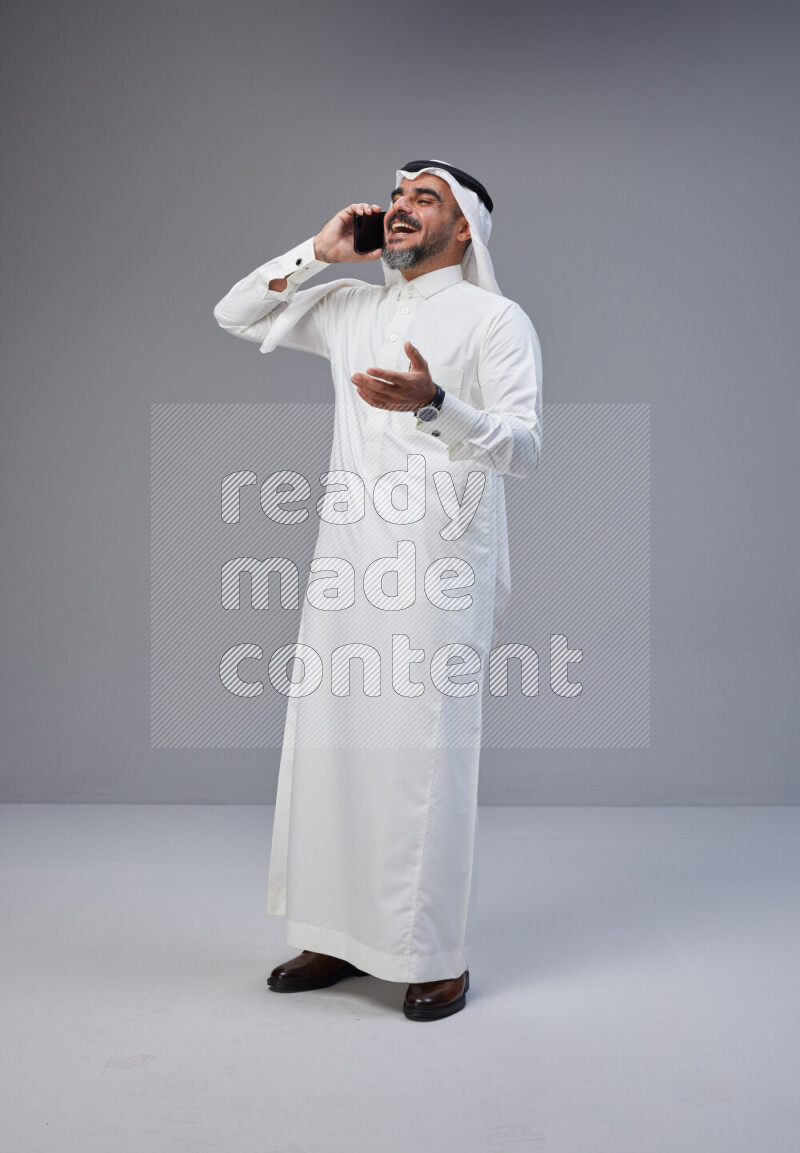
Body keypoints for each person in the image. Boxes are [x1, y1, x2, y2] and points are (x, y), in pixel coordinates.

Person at [213, 160, 542, 1020]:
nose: (400, 208)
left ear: (464, 228)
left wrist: (438, 404)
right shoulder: (351, 309)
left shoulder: (495, 320)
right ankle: (335, 933)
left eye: (423, 199)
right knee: (334, 745)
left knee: (422, 757)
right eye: (396, 197)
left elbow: (525, 444)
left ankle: (434, 955)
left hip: (439, 567)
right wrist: (317, 253)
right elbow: (235, 313)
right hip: (347, 561)